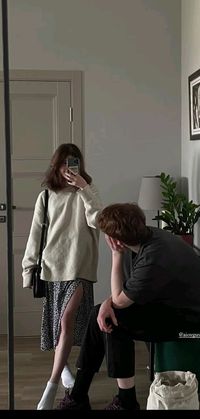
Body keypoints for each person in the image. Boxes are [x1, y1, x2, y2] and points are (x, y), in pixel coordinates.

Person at [56, 203, 200, 411]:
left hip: (192, 321)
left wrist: (115, 257)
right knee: (100, 312)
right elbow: (124, 292)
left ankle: (127, 402)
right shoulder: (148, 238)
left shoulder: (153, 256)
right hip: (170, 308)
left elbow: (121, 301)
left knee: (113, 320)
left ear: (115, 240)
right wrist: (108, 303)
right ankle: (78, 396)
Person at [22, 143, 102, 410]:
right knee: (59, 328)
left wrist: (84, 188)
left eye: (75, 162)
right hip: (52, 268)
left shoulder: (87, 192)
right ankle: (64, 367)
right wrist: (28, 268)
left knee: (67, 322)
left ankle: (51, 385)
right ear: (56, 166)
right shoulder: (45, 196)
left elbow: (99, 220)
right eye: (65, 163)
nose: (70, 168)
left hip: (79, 268)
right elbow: (35, 235)